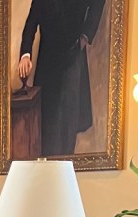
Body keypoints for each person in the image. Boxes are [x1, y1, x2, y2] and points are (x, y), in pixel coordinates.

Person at [17, 0, 106, 156]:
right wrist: (25, 54)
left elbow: (97, 5)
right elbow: (31, 24)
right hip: (47, 60)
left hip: (72, 56)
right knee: (47, 120)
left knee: (68, 117)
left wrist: (84, 38)